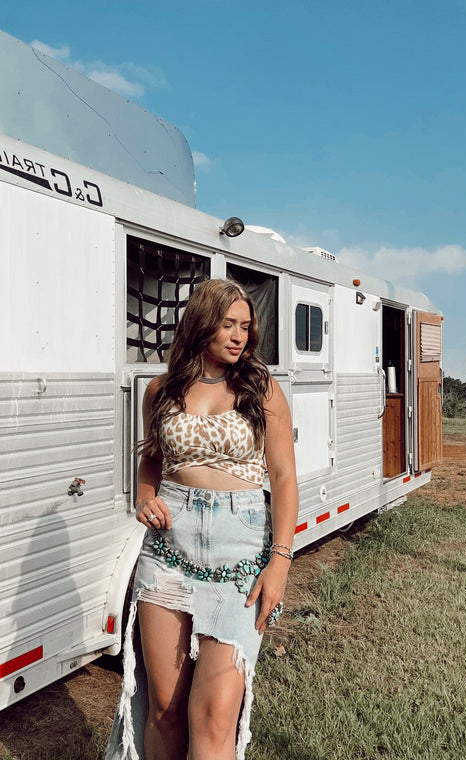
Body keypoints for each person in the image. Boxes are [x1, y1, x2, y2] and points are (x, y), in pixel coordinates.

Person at [106, 278, 298, 760]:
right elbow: (152, 461)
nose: (239, 336)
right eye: (228, 324)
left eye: (245, 327)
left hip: (240, 553)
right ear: (201, 323)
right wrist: (144, 496)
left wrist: (280, 561)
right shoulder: (161, 390)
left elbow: (283, 478)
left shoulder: (261, 388)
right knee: (165, 709)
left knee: (213, 717)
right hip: (168, 551)